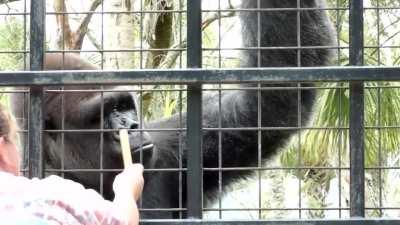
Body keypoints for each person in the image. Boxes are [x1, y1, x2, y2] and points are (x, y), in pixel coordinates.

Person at [0, 104, 144, 225]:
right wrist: (126, 191)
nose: (131, 124)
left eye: (126, 107)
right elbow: (123, 221)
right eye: (14, 140)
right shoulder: (55, 197)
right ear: (2, 150)